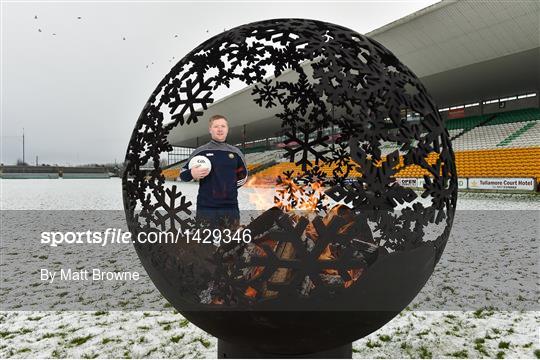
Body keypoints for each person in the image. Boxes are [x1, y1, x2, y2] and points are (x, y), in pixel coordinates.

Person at [179, 115, 248, 229]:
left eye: (223, 126)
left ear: (227, 129)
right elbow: (182, 173)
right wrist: (191, 173)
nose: (220, 129)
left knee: (232, 244)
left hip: (230, 207)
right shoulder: (201, 152)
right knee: (205, 244)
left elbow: (244, 176)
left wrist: (229, 189)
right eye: (216, 126)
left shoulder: (236, 152)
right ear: (210, 129)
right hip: (206, 207)